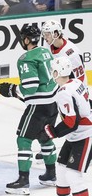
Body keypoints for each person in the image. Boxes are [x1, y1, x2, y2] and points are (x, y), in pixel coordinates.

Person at [0, 25, 59, 195]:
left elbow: (30, 88)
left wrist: (11, 90)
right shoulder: (46, 52)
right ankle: (51, 175)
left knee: (23, 139)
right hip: (54, 103)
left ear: (25, 39)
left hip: (38, 107)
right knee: (45, 137)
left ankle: (23, 182)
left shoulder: (26, 58)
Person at [40, 56, 92, 196]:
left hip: (85, 136)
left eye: (53, 71)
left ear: (57, 72)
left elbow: (71, 122)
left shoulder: (64, 92)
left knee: (73, 176)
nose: (52, 73)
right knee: (62, 173)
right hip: (75, 136)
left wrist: (52, 132)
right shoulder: (76, 82)